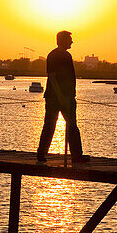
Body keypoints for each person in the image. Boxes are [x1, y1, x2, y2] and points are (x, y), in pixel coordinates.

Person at [36, 30, 86, 164]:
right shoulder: (54, 56)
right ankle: (42, 153)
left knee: (71, 126)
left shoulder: (66, 55)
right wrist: (62, 97)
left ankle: (76, 155)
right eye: (70, 39)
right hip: (56, 97)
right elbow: (52, 77)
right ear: (63, 40)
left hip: (66, 97)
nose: (72, 41)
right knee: (51, 125)